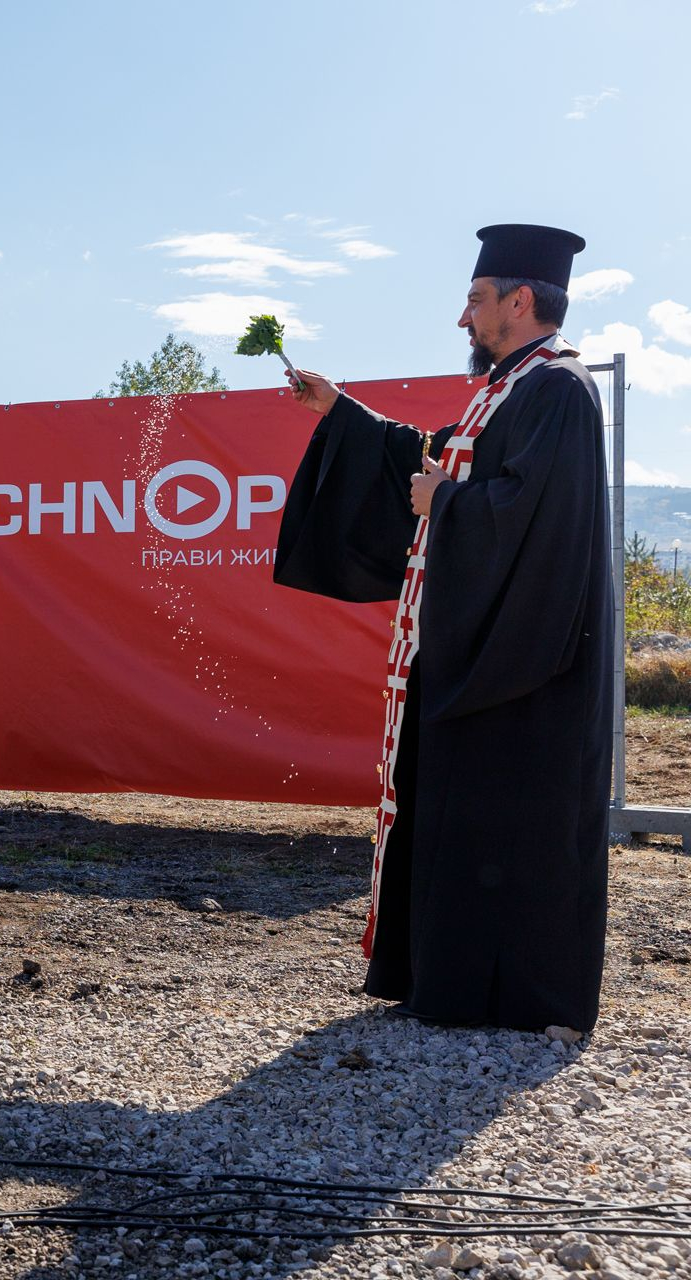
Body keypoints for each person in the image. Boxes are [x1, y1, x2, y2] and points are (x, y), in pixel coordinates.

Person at [274, 224, 613, 1034]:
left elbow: (525, 517)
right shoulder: (510, 389)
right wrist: (345, 414)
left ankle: (509, 1000)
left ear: (520, 300)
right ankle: (449, 982)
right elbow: (442, 465)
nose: (463, 320)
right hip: (479, 654)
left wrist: (447, 505)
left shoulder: (558, 390)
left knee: (513, 830)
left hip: (524, 671)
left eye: (475, 300)